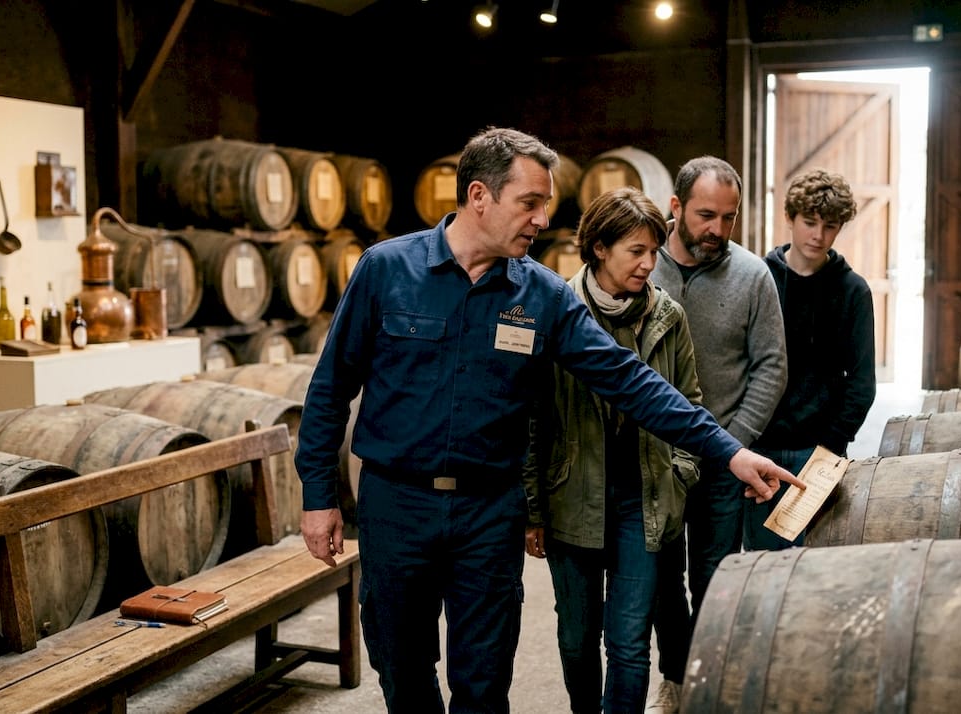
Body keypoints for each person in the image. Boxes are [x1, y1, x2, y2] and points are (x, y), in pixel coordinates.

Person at [293, 127, 803, 714]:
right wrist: (318, 496)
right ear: (479, 196)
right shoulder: (386, 270)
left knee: (483, 681)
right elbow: (331, 388)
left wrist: (729, 451)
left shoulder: (542, 296)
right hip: (395, 506)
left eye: (546, 205)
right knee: (402, 668)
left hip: (488, 515)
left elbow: (630, 380)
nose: (541, 219)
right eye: (529, 203)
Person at [523, 187, 701, 714]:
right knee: (578, 640)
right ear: (599, 247)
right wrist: (533, 508)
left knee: (628, 645)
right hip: (572, 498)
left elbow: (690, 402)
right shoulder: (556, 312)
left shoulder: (668, 317)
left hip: (642, 501)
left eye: (654, 252)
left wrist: (679, 474)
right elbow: (532, 420)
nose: (649, 264)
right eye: (636, 251)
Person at [646, 156, 788, 713]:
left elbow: (771, 367)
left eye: (729, 218)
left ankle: (709, 681)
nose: (718, 231)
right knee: (660, 583)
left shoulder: (753, 276)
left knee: (713, 578)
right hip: (653, 460)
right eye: (706, 216)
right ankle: (676, 677)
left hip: (723, 459)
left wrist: (731, 443)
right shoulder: (641, 266)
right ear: (676, 208)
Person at [745, 167, 876, 550]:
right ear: (789, 217)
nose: (818, 235)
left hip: (819, 450)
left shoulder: (853, 291)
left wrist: (831, 449)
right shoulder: (758, 279)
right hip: (761, 447)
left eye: (830, 226)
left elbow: (862, 382)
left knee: (815, 569)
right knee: (761, 564)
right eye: (809, 222)